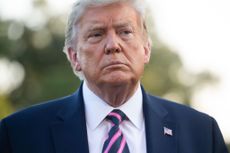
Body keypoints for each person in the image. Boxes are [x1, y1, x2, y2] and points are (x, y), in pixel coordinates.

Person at [0, 0, 229, 153]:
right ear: (74, 57)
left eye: (125, 32)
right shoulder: (18, 135)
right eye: (97, 34)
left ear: (146, 49)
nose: (113, 45)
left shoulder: (201, 133)